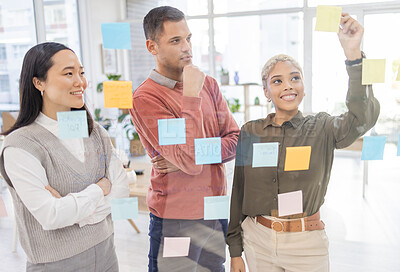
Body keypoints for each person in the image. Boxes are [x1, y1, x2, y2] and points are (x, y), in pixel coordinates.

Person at [227, 14, 380, 272]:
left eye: (295, 78)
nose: (288, 85)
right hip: (258, 241)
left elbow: (362, 118)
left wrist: (354, 57)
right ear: (266, 91)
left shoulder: (322, 127)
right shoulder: (250, 131)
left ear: (304, 86)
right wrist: (234, 251)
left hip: (306, 246)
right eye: (277, 81)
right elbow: (239, 191)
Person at [0, 42, 129, 271]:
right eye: (69, 73)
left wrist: (76, 214)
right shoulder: (21, 145)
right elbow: (51, 216)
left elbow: (121, 192)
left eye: (81, 72)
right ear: (38, 82)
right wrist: (99, 189)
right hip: (56, 265)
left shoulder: (94, 131)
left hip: (107, 252)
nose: (80, 82)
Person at [129, 6, 240, 272]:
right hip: (175, 220)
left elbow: (236, 140)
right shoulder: (146, 98)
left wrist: (191, 156)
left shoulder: (209, 84)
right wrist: (191, 95)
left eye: (188, 38)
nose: (186, 47)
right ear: (152, 47)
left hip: (213, 211)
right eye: (176, 41)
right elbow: (191, 161)